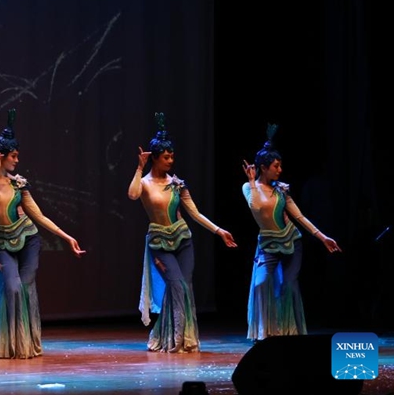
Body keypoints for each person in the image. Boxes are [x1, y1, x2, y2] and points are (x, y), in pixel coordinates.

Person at [0, 108, 85, 359]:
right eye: (13, 156)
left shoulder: (18, 184)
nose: (17, 160)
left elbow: (39, 216)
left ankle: (25, 342)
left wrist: (67, 237)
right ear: (0, 156)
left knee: (25, 286)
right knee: (11, 288)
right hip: (1, 241)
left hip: (29, 239)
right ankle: (8, 342)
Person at [127, 112, 236, 353]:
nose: (170, 161)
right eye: (166, 157)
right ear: (154, 158)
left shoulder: (177, 183)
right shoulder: (144, 183)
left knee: (185, 287)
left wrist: (219, 231)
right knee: (176, 285)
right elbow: (132, 195)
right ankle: (174, 339)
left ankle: (180, 337)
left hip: (183, 239)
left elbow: (195, 213)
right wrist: (139, 167)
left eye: (172, 156)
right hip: (159, 242)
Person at [241, 123, 341, 341]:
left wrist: (322, 237)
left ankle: (290, 333)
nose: (280, 170)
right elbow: (255, 208)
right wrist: (251, 181)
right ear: (264, 167)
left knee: (289, 286)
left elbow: (299, 217)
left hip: (291, 242)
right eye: (276, 166)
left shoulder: (281, 190)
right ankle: (265, 331)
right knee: (260, 284)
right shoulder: (249, 188)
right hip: (268, 243)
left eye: (280, 165)